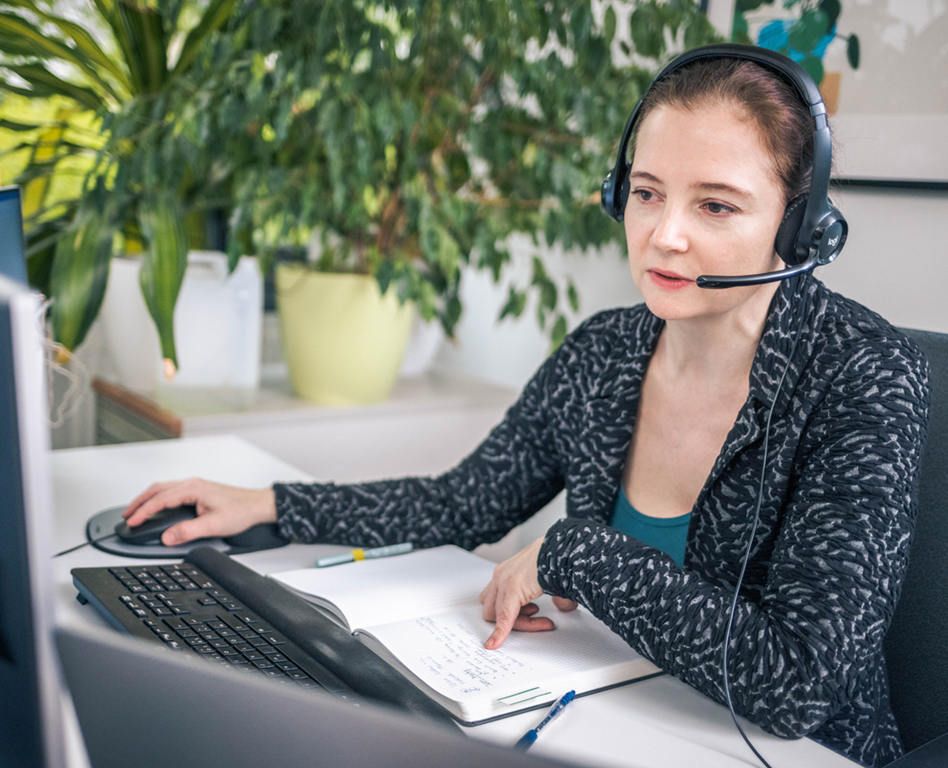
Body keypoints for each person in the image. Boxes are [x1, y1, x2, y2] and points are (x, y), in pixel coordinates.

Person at [123, 46, 929, 768]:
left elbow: (798, 683)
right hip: (613, 725)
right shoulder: (605, 352)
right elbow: (462, 501)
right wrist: (271, 504)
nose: (663, 236)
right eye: (646, 194)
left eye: (715, 206)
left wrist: (576, 553)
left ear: (800, 226)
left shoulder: (861, 375)